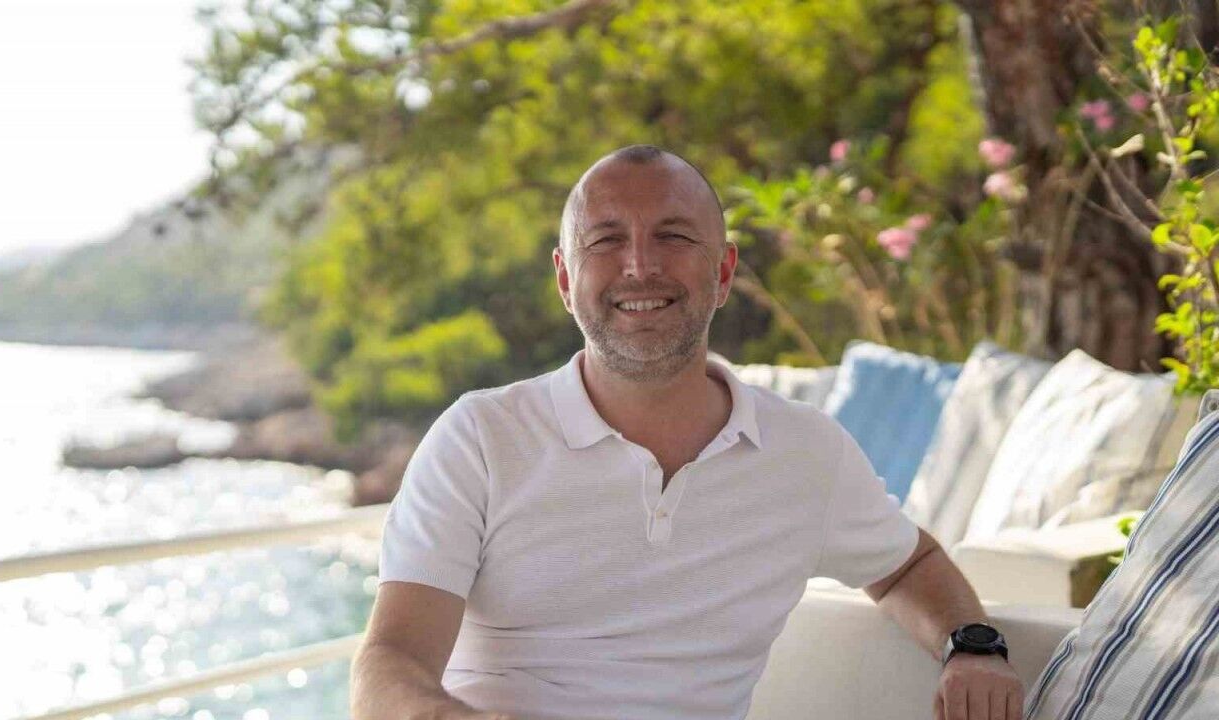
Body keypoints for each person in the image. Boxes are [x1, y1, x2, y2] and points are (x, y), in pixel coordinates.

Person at [349, 145, 1024, 720]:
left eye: (673, 236)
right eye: (605, 240)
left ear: (723, 272)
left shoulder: (805, 453)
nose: (640, 265)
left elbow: (906, 564)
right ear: (565, 278)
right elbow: (391, 661)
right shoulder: (480, 438)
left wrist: (973, 647)